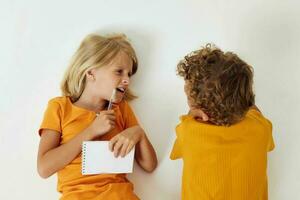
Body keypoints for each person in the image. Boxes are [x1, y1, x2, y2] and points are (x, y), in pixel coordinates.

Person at [37, 33, 157, 200]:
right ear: (91, 73)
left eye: (129, 74)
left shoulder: (122, 109)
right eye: (119, 72)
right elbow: (44, 168)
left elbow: (149, 165)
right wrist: (91, 131)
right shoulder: (60, 108)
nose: (127, 80)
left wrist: (138, 133)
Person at [170, 44, 274, 200]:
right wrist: (242, 100)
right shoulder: (260, 129)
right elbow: (254, 112)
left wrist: (191, 114)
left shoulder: (189, 131)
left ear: (202, 113)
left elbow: (177, 150)